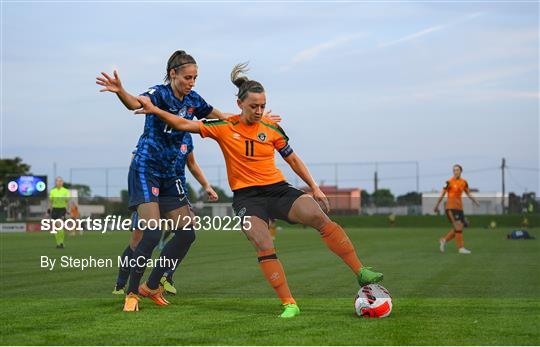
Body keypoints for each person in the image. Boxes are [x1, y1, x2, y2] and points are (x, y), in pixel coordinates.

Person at [133, 63, 384, 318]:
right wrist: (154, 109)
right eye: (254, 106)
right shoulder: (224, 126)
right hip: (248, 198)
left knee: (318, 215)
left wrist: (315, 188)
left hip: (278, 191)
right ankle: (289, 303)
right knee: (262, 241)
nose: (259, 110)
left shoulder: (271, 128)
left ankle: (361, 271)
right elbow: (183, 124)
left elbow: (293, 160)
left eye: (262, 106)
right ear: (240, 104)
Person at [97, 50, 231, 312]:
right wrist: (120, 91)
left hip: (171, 175)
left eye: (195, 78)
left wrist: (253, 119)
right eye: (187, 77)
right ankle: (132, 293)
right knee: (152, 231)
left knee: (187, 233)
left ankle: (152, 285)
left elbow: (221, 115)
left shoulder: (193, 99)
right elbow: (136, 103)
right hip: (146, 168)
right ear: (173, 74)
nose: (192, 82)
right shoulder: (158, 93)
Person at [112, 133, 218, 295]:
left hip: (175, 192)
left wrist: (206, 186)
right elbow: (135, 159)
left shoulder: (186, 137)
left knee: (187, 233)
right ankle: (121, 284)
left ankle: (165, 275)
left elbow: (192, 164)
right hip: (149, 191)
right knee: (138, 240)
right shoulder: (155, 131)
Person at [434, 164, 480, 254]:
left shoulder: (464, 182)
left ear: (461, 171)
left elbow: (468, 193)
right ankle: (461, 248)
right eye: (454, 170)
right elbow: (442, 194)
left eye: (457, 170)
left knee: (458, 228)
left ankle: (444, 240)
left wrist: (475, 201)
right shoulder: (448, 182)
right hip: (450, 208)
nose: (455, 172)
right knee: (458, 226)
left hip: (459, 208)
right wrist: (436, 205)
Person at [48, 177, 71, 249]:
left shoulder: (66, 191)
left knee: (59, 225)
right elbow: (51, 201)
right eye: (57, 181)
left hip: (62, 209)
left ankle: (61, 243)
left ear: (62, 182)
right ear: (55, 182)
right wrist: (49, 209)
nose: (59, 182)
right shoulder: (52, 191)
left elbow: (67, 202)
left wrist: (68, 210)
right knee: (56, 228)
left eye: (60, 181)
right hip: (54, 210)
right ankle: (58, 243)